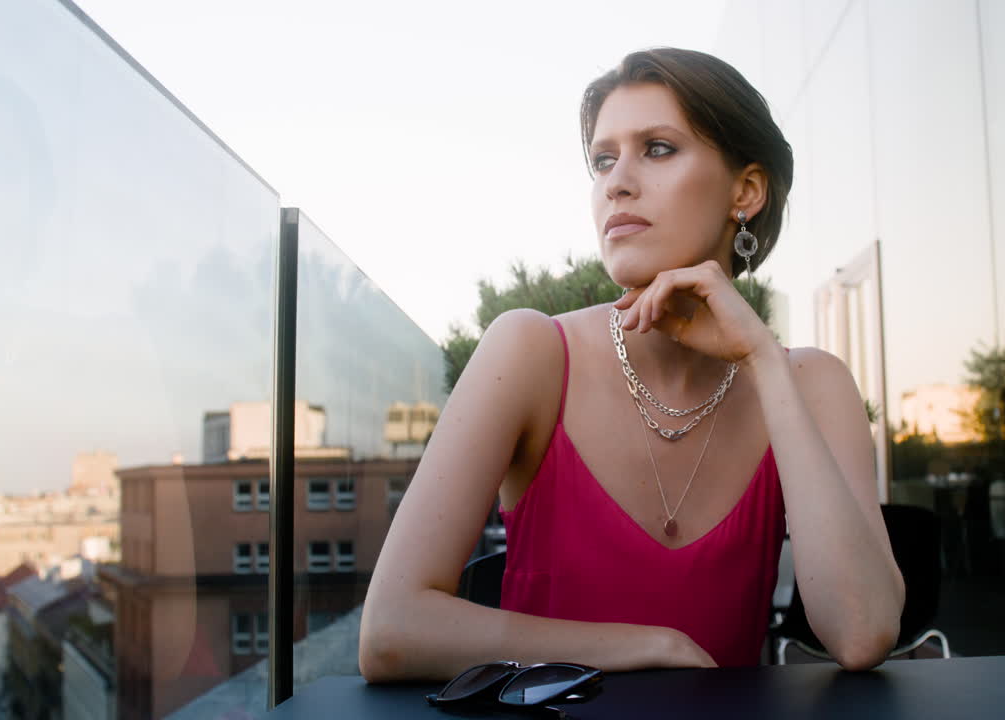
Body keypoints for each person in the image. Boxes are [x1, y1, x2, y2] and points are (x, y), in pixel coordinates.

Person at [359, 48, 904, 682]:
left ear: (745, 191)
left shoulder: (811, 383)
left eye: (659, 149)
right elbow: (391, 630)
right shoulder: (531, 353)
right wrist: (643, 645)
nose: (615, 182)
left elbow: (863, 634)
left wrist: (762, 361)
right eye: (603, 159)